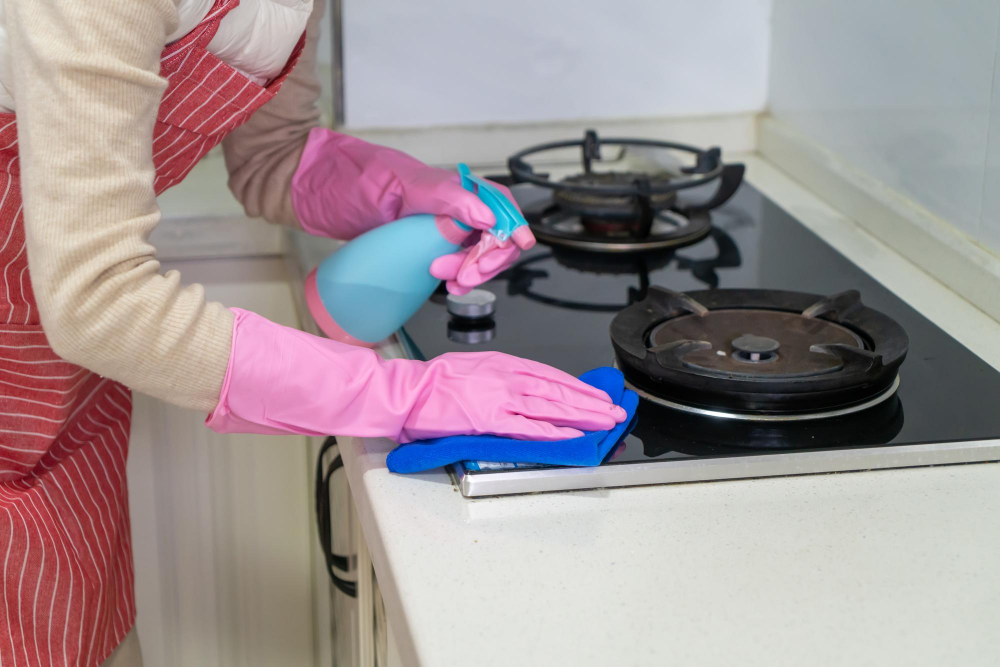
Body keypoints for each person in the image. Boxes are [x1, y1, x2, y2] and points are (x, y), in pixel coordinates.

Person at [0, 0, 627, 664]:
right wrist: (405, 396)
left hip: (54, 363)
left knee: (83, 629)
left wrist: (402, 190)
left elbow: (274, 154)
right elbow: (100, 303)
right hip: (58, 327)